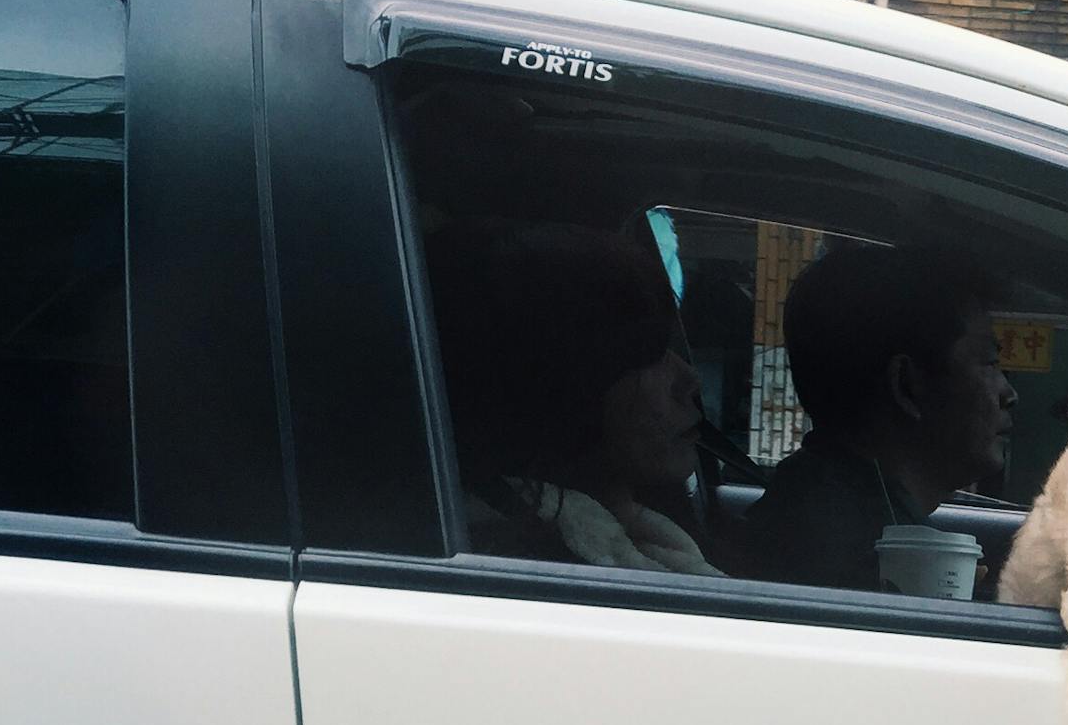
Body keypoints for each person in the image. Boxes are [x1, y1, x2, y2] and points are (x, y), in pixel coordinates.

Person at [434, 220, 717, 575]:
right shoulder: (532, 571)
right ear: (572, 380)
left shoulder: (613, 542)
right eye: (650, 354)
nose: (690, 380)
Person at [739, 243, 1016, 593]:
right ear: (907, 386)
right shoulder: (857, 564)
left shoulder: (817, 509)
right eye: (989, 364)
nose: (1009, 393)